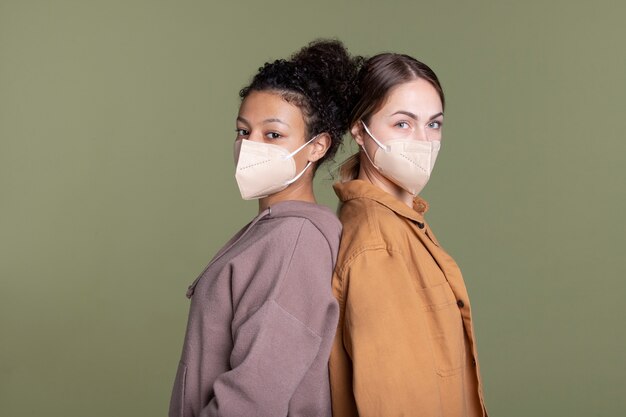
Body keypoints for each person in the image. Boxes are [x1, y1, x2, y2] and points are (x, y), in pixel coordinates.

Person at [168, 40, 360, 417]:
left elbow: (255, 397)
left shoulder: (296, 241)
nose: (250, 145)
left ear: (317, 146)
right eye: (243, 131)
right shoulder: (273, 230)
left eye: (272, 135)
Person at [329, 53, 488, 417]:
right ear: (359, 128)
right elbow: (395, 403)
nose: (423, 140)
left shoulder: (401, 222)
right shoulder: (376, 244)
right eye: (402, 124)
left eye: (434, 125)